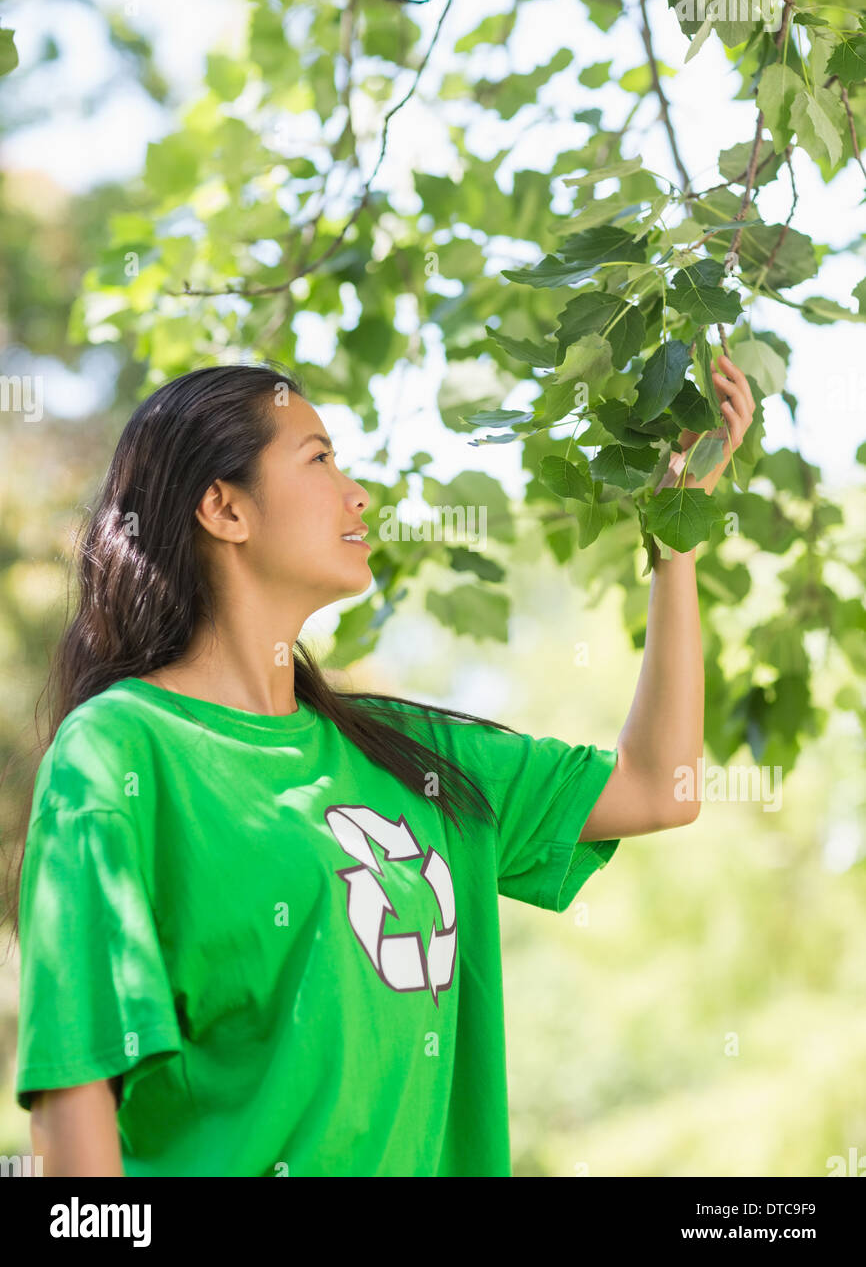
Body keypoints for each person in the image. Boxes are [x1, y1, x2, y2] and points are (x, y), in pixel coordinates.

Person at [10, 355, 755, 1176]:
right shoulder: (120, 753)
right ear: (224, 508)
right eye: (320, 458)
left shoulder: (414, 759)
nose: (357, 493)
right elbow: (76, 1099)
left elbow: (660, 786)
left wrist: (676, 532)